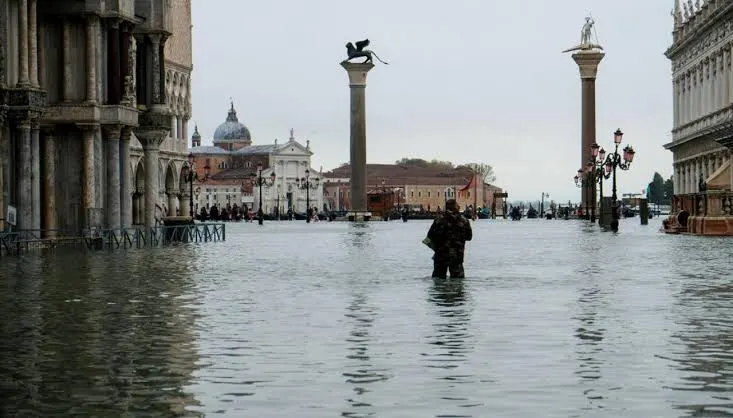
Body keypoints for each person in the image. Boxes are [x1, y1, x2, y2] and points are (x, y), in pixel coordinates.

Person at [426, 199, 473, 279]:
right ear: (457, 207)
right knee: (458, 281)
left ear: (446, 207)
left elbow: (430, 235)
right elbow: (469, 237)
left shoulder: (439, 220)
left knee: (438, 281)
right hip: (457, 256)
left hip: (441, 254)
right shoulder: (464, 220)